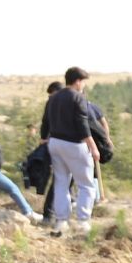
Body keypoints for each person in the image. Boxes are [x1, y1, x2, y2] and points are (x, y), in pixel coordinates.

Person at [42, 68, 103, 236]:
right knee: (86, 184)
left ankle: (61, 221)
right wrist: (93, 146)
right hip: (74, 144)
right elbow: (82, 123)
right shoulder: (78, 97)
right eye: (83, 82)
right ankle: (83, 221)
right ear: (77, 81)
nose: (83, 85)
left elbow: (45, 121)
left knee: (61, 183)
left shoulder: (53, 98)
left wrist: (43, 138)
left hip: (55, 143)